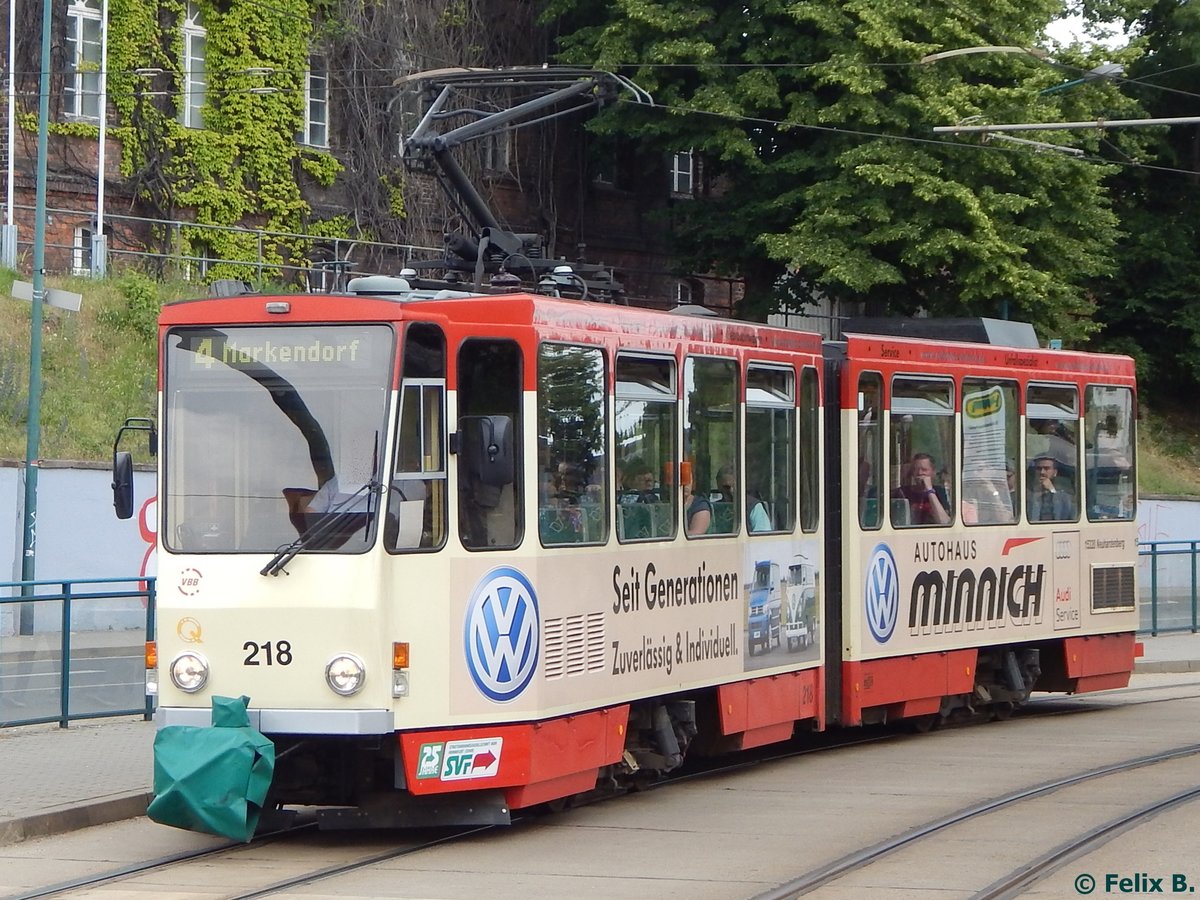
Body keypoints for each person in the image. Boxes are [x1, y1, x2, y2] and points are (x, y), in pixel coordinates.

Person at [895, 452, 950, 525]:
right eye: (916, 470)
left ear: (933, 472)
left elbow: (944, 521)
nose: (920, 473)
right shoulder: (902, 492)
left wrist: (930, 491)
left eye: (924, 469)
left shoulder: (940, 492)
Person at [1028, 456, 1075, 521]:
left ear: (1055, 472)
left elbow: (1069, 513)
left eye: (1046, 468)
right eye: (1039, 469)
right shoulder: (1027, 493)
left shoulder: (1065, 493)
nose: (1042, 472)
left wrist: (1052, 490)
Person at [683, 467, 712, 535]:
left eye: (688, 479)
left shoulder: (701, 505)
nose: (685, 484)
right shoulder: (664, 504)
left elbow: (696, 534)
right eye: (681, 479)